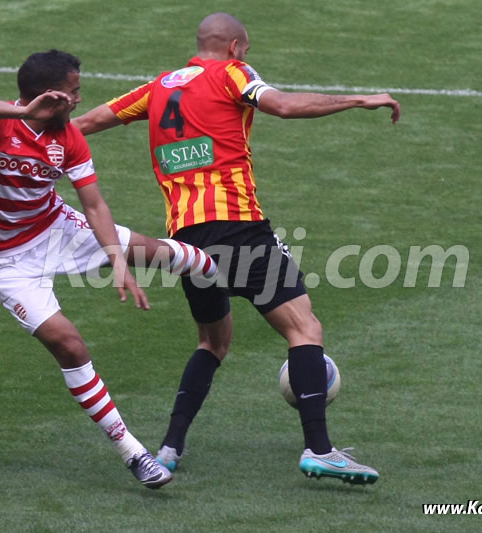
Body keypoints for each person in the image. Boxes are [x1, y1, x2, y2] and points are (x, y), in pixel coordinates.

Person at [72, 13, 400, 485]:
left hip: (186, 241)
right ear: (234, 46)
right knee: (304, 328)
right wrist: (356, 99)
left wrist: (22, 138)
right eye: (245, 51)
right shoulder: (233, 74)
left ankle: (168, 449)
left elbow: (85, 123)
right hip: (239, 229)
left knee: (213, 342)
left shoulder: (157, 87)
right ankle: (320, 449)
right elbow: (282, 106)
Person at [0, 49, 217, 490]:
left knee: (150, 251)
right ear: (51, 95)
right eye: (74, 91)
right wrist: (23, 109)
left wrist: (118, 261)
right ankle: (133, 452)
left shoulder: (70, 138)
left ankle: (213, 265)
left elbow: (93, 203)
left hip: (52, 227)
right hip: (5, 260)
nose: (80, 99)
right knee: (70, 346)